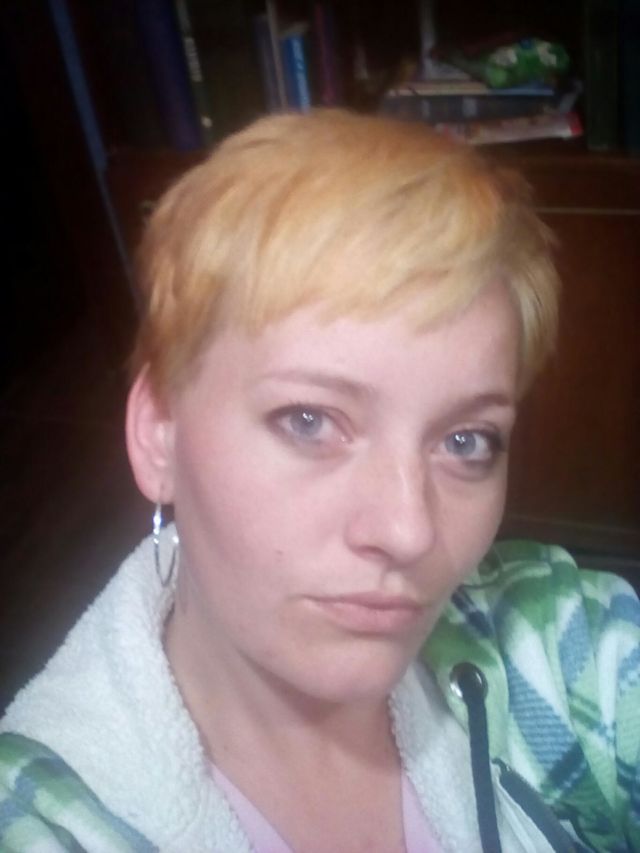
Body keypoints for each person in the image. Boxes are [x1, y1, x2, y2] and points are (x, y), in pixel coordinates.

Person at [0, 109, 638, 853]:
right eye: (308, 421)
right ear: (158, 431)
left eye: (466, 440)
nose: (409, 531)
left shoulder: (560, 645)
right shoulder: (46, 817)